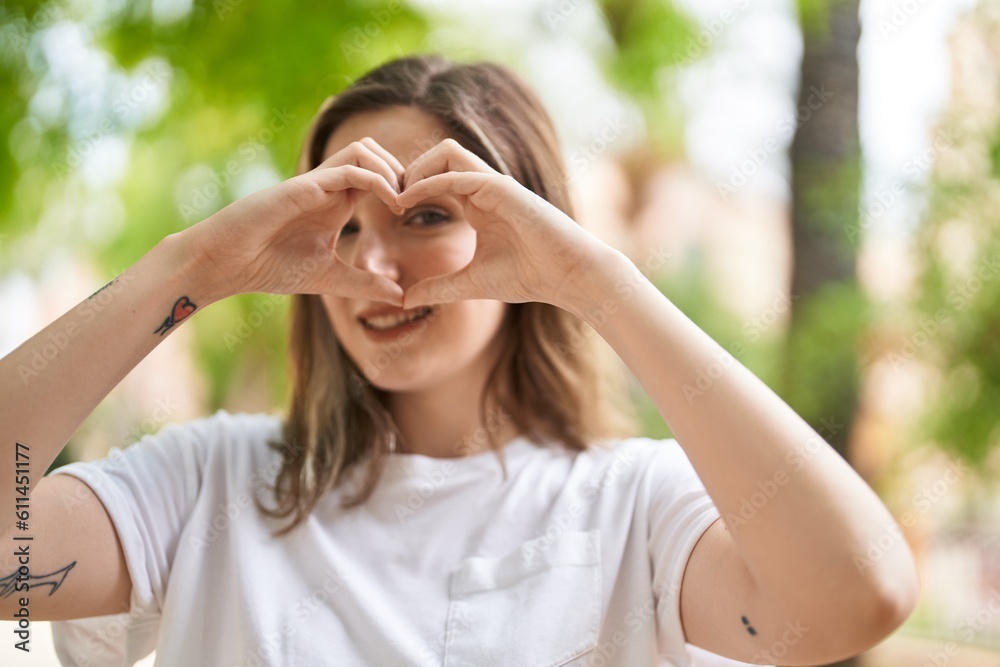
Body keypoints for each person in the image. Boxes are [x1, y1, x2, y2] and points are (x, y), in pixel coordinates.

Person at [0, 53, 919, 666]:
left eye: (427, 216)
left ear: (530, 231)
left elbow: (858, 592)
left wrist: (595, 283)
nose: (370, 265)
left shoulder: (634, 504)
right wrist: (188, 268)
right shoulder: (202, 484)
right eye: (344, 225)